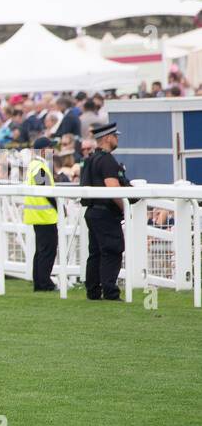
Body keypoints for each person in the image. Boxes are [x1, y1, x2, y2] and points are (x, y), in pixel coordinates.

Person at [80, 122, 132, 301]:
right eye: (115, 136)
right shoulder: (107, 160)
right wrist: (125, 208)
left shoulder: (91, 159)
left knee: (95, 253)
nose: (117, 139)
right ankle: (110, 292)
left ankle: (93, 291)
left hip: (92, 212)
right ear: (108, 138)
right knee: (112, 250)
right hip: (105, 213)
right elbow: (113, 188)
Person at [23, 137, 59, 292]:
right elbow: (46, 190)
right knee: (47, 251)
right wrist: (59, 205)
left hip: (37, 215)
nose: (53, 151)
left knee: (41, 251)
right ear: (44, 150)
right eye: (51, 148)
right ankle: (44, 283)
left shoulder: (34, 165)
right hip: (45, 215)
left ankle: (40, 282)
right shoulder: (39, 166)